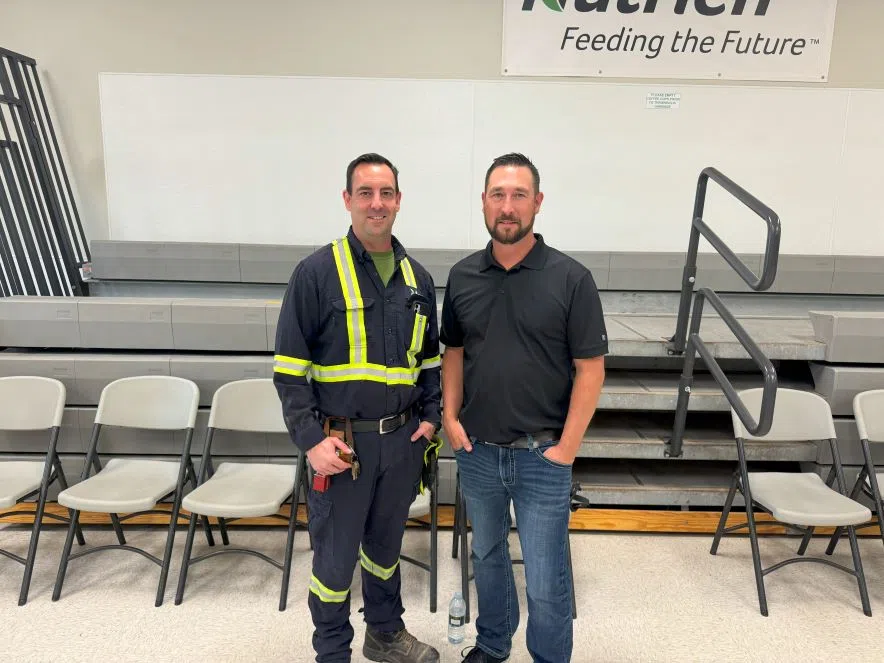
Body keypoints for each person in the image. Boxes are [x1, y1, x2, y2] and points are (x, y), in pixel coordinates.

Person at [274, 153, 442, 663]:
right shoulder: (316, 273)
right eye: (365, 193)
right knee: (333, 561)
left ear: (399, 200)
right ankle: (332, 653)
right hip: (341, 446)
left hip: (403, 442)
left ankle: (385, 634)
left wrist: (431, 419)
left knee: (386, 550)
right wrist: (310, 440)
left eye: (386, 193)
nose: (377, 203)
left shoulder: (420, 280)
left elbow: (431, 363)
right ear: (347, 200)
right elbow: (288, 371)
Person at [440, 153, 607, 663]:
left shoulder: (571, 278)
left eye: (517, 195)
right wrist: (450, 417)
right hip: (478, 453)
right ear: (484, 202)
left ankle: (548, 657)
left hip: (543, 457)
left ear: (537, 202)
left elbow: (591, 369)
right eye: (497, 195)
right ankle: (492, 646)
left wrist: (568, 448)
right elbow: (454, 354)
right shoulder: (463, 276)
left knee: (545, 576)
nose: (507, 206)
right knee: (487, 559)